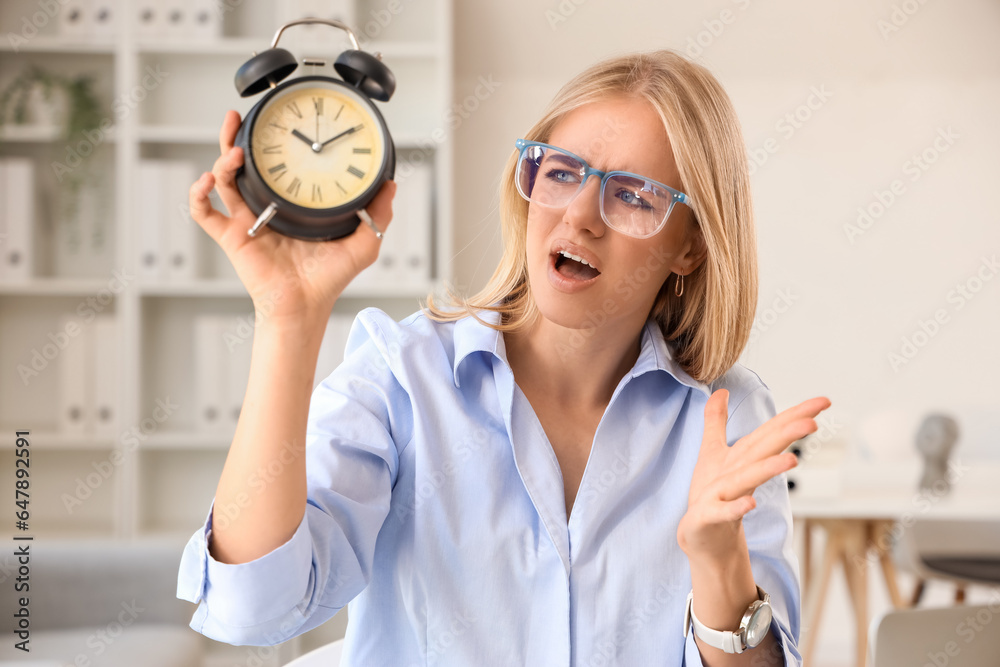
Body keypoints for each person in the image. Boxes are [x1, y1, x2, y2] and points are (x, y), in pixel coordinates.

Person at [176, 49, 831, 666]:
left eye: (633, 194)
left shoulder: (725, 415)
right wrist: (287, 317)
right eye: (562, 172)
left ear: (691, 245)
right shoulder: (404, 375)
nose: (579, 215)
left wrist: (717, 561)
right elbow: (253, 606)